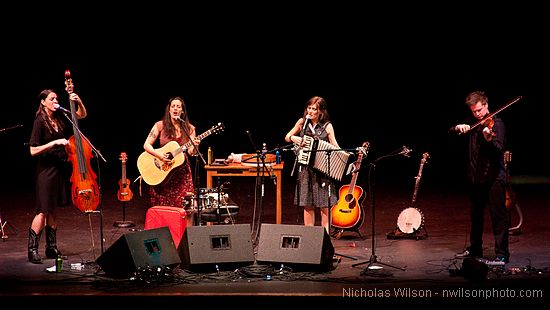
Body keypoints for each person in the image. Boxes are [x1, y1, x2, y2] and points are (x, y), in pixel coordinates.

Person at [28, 87, 87, 264]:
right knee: (43, 210)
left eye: (56, 99)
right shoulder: (39, 121)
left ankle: (51, 248)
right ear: (43, 102)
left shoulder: (59, 117)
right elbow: (32, 150)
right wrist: (54, 142)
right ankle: (32, 250)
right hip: (46, 171)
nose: (56, 102)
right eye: (52, 99)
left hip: (60, 169)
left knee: (53, 210)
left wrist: (79, 101)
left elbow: (80, 116)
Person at [452, 90, 510, 264]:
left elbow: (499, 148)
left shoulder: (497, 124)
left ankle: (502, 254)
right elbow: (450, 134)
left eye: (479, 110)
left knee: (498, 217)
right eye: (473, 111)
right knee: (476, 216)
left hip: (494, 179)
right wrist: (457, 128)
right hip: (476, 178)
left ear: (486, 105)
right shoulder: (472, 123)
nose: (477, 114)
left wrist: (489, 139)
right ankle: (475, 249)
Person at [284, 96, 341, 233]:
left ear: (321, 111)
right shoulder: (302, 122)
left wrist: (343, 154)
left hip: (322, 171)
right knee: (307, 204)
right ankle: (309, 237)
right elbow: (287, 136)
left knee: (324, 205)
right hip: (305, 170)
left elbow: (335, 145)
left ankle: (325, 237)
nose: (310, 111)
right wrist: (294, 138)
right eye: (308, 108)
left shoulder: (327, 126)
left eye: (314, 109)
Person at [143, 97, 200, 227]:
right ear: (169, 109)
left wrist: (196, 145)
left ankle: (186, 240)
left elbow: (191, 152)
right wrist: (159, 155)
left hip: (182, 174)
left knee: (187, 207)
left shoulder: (190, 129)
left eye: (178, 106)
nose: (175, 108)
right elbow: (146, 145)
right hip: (163, 173)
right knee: (162, 208)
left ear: (182, 111)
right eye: (173, 106)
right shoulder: (160, 125)